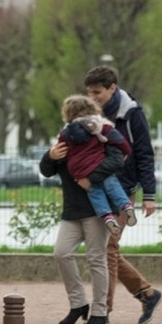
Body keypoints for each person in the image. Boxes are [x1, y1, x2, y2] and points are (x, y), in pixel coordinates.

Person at [84, 65, 162, 324]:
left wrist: (149, 194)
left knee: (107, 247)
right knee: (106, 247)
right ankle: (147, 293)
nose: (92, 97)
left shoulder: (132, 114)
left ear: (112, 88)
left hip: (122, 190)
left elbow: (145, 154)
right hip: (97, 187)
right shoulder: (88, 113)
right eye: (89, 92)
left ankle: (102, 310)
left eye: (97, 92)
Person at [40, 127, 127, 324]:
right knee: (61, 253)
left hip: (99, 210)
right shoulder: (68, 137)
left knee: (96, 258)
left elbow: (117, 161)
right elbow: (47, 171)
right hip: (72, 209)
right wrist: (49, 156)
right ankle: (78, 304)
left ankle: (99, 312)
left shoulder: (102, 137)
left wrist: (91, 178)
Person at [57, 95, 136, 234]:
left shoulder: (66, 132)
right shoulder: (101, 126)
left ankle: (107, 216)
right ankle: (126, 205)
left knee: (95, 193)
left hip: (81, 172)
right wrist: (126, 151)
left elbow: (61, 149)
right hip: (99, 164)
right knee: (112, 185)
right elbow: (121, 142)